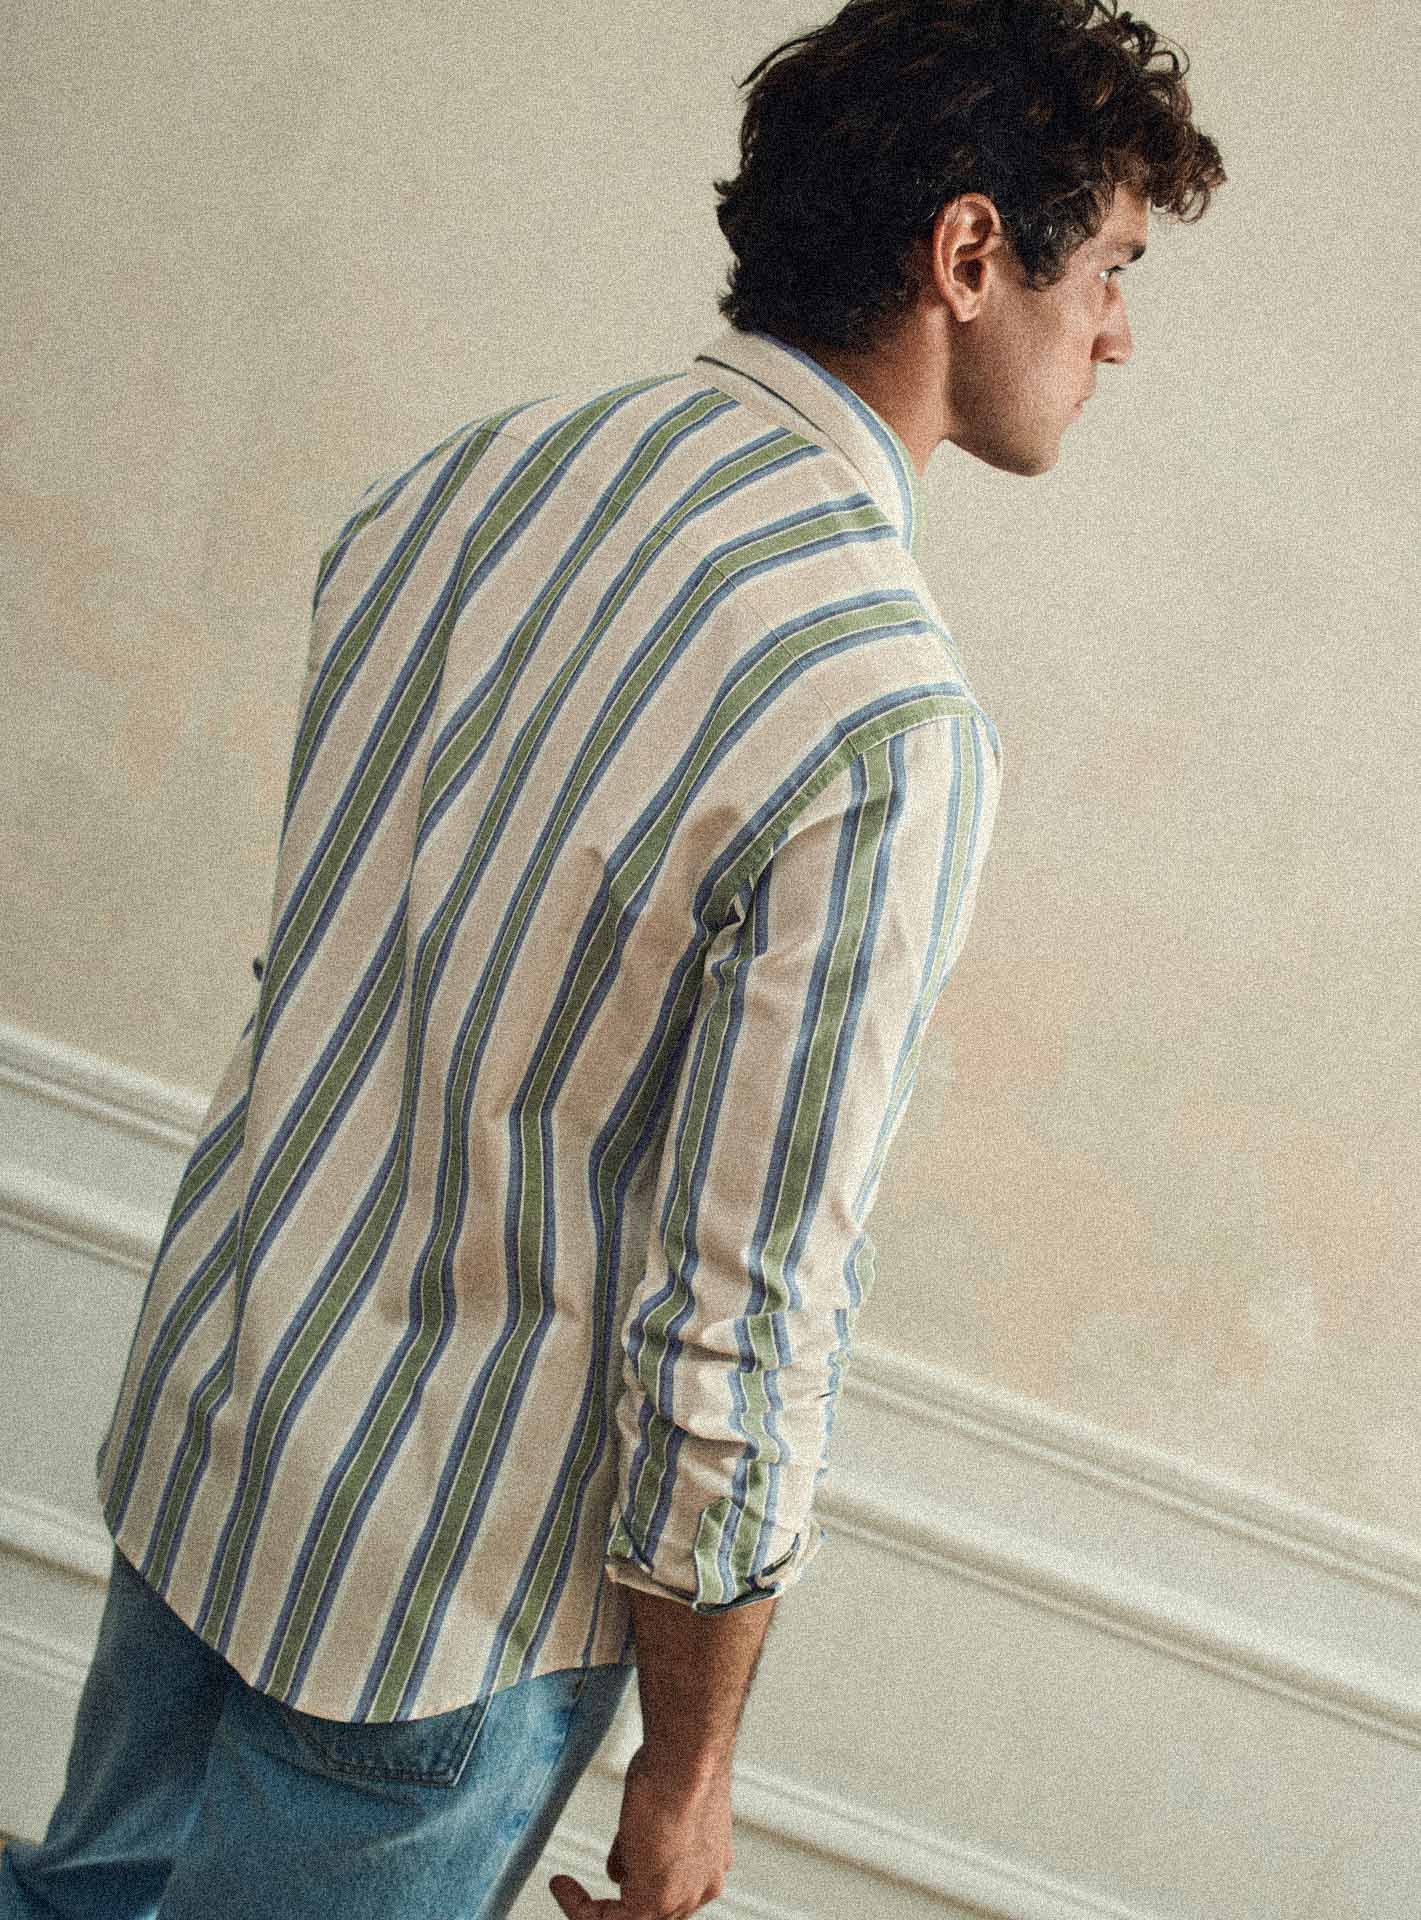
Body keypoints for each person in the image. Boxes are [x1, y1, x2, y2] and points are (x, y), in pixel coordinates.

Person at [1, 3, 1224, 1917]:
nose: (1122, 333)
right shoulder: (880, 719)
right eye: (1115, 269)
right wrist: (689, 1767)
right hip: (434, 1605)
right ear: (970, 254)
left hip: (208, 1439)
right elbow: (742, 1308)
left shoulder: (467, 479)